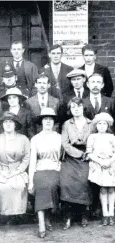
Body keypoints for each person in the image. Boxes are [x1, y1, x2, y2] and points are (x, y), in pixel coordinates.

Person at [60, 97, 93, 229]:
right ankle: (67, 216)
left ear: (83, 108)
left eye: (79, 106)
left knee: (85, 182)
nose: (76, 109)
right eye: (73, 107)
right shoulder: (67, 124)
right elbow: (65, 144)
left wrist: (89, 154)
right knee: (66, 182)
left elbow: (96, 140)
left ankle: (84, 214)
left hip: (88, 157)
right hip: (71, 157)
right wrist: (79, 154)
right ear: (70, 109)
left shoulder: (92, 123)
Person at [28, 108, 62, 238]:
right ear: (41, 122)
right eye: (45, 119)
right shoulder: (35, 139)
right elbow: (32, 162)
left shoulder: (59, 138)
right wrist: (31, 181)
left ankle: (47, 216)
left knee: (52, 185)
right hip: (40, 169)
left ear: (54, 122)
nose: (48, 121)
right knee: (41, 186)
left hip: (55, 169)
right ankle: (41, 223)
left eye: (50, 119)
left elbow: (62, 158)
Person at [0, 112, 30, 218]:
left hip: (18, 171)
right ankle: (3, 215)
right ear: (2, 124)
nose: (8, 124)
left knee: (18, 186)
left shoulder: (23, 139)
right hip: (1, 171)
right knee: (0, 187)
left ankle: (17, 215)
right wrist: (0, 171)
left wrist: (18, 171)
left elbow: (26, 158)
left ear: (15, 124)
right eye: (5, 122)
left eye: (11, 122)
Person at [86, 113, 115, 226]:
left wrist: (109, 161)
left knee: (111, 189)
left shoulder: (112, 137)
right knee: (103, 189)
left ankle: (111, 214)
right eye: (99, 123)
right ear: (96, 125)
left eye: (104, 124)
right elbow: (89, 153)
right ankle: (105, 214)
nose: (102, 126)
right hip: (98, 165)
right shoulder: (92, 137)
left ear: (108, 126)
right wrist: (100, 162)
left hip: (111, 165)